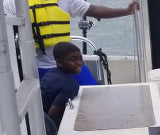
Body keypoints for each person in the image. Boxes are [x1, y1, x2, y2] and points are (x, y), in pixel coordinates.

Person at [3, 0, 140, 85]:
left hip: (70, 66)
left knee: (93, 94)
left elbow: (95, 10)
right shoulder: (13, 3)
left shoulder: (66, 1)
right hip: (36, 68)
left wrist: (127, 11)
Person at [39, 41, 81, 135]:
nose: (79, 62)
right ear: (60, 63)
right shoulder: (71, 85)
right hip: (41, 125)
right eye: (73, 60)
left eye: (80, 58)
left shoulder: (51, 73)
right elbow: (53, 114)